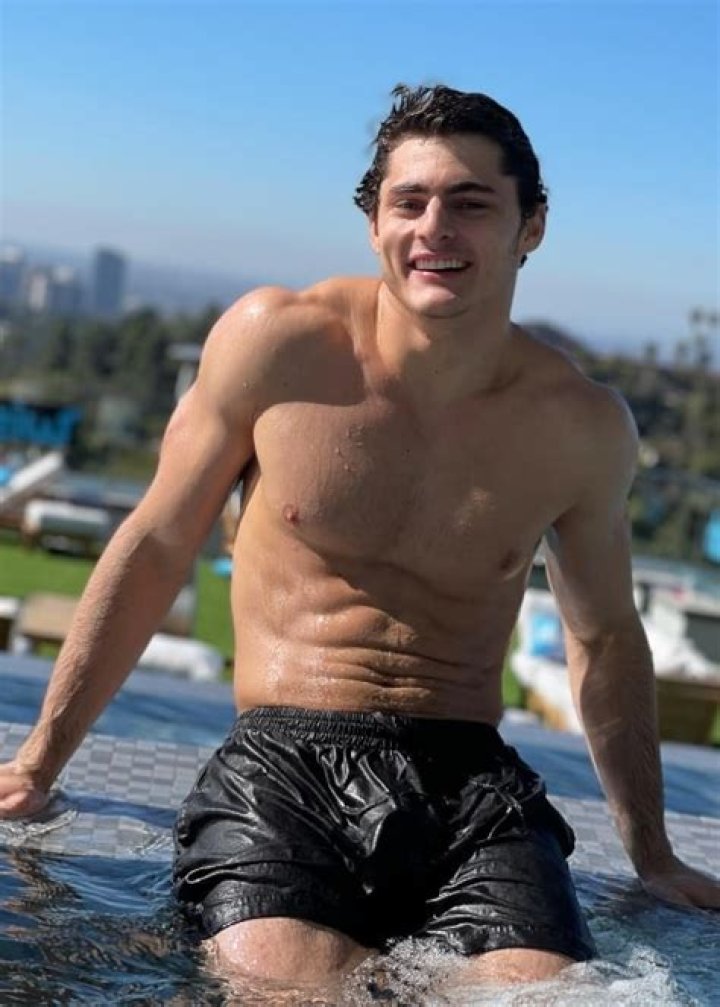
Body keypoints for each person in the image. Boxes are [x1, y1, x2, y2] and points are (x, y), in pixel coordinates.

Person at [0, 84, 717, 991]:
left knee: (543, 994)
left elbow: (605, 635)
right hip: (283, 763)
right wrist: (38, 761)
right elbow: (156, 545)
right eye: (408, 202)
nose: (434, 229)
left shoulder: (579, 425)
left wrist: (652, 853)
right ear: (374, 222)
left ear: (530, 227)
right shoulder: (278, 345)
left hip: (472, 786)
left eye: (470, 203)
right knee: (285, 988)